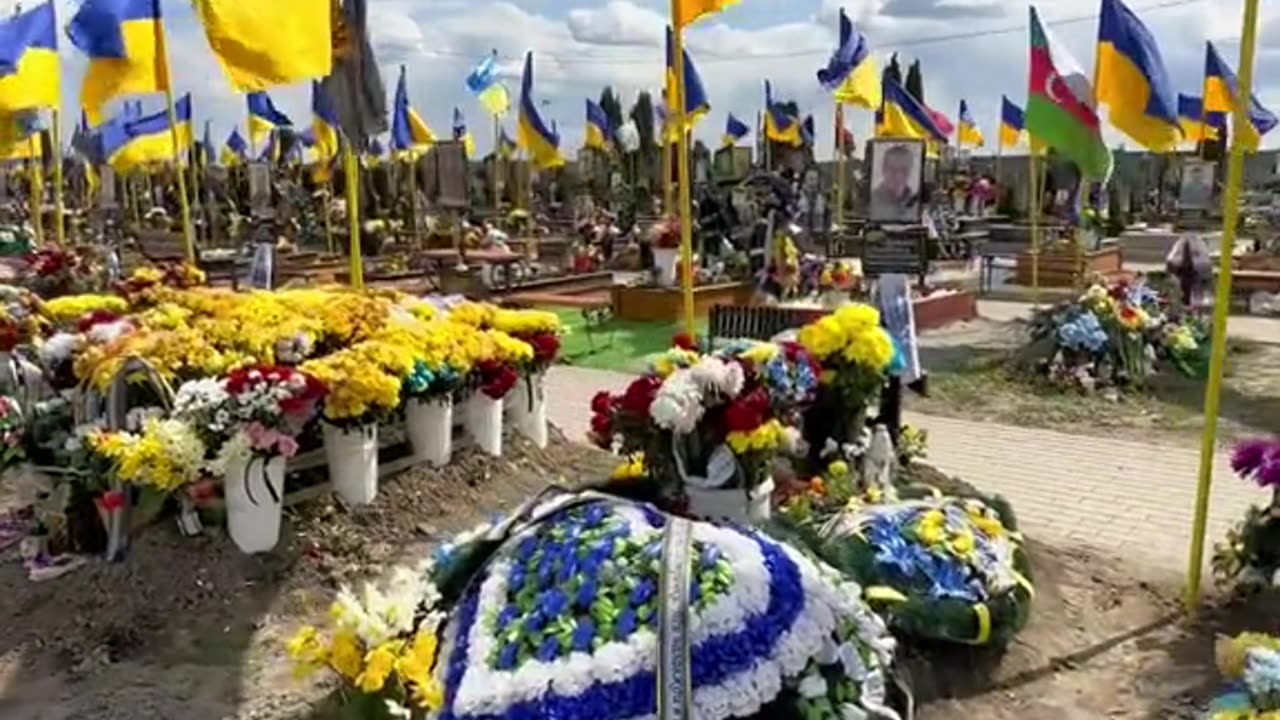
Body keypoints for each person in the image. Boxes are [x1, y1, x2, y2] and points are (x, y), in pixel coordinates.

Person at [871, 144, 920, 222]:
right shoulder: (871, 202)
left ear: (910, 171)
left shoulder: (917, 204)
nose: (899, 176)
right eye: (893, 170)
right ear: (884, 170)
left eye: (904, 170)